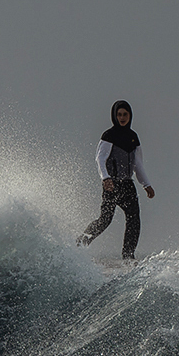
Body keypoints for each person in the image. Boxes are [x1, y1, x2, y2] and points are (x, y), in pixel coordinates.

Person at [76, 100, 155, 260]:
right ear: (114, 116)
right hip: (111, 185)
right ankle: (80, 243)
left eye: (125, 114)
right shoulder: (109, 136)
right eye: (119, 115)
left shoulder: (133, 137)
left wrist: (146, 184)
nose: (122, 118)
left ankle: (128, 256)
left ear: (130, 115)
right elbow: (100, 159)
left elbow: (138, 164)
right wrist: (105, 178)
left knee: (134, 220)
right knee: (105, 220)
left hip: (127, 185)